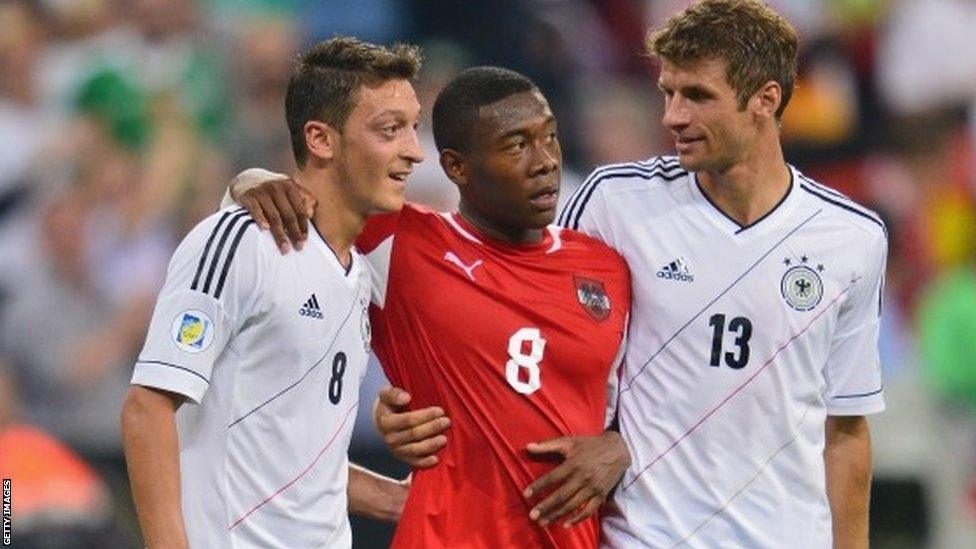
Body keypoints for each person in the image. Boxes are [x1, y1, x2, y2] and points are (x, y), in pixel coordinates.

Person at [228, 66, 632, 548]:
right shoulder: (399, 243)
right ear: (457, 167)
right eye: (517, 145)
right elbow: (300, 196)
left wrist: (618, 447)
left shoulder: (606, 266)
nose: (544, 161)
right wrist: (252, 182)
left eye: (550, 137)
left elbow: (645, 408)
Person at [558, 1, 886, 546]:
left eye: (697, 96)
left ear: (765, 99)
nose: (673, 117)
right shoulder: (612, 205)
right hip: (647, 535)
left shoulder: (851, 238)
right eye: (668, 92)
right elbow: (540, 340)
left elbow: (846, 424)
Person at [119, 37, 422, 548]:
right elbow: (146, 410)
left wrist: (393, 498)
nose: (414, 150)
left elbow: (293, 454)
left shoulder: (362, 275)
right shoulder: (242, 242)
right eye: (390, 130)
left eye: (414, 127)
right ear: (321, 140)